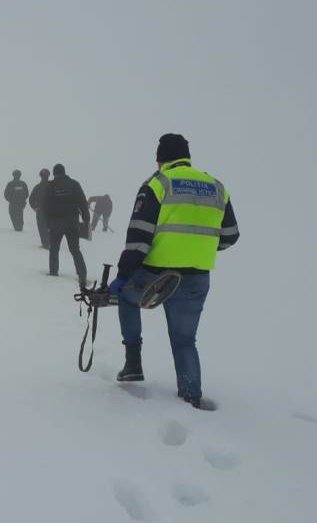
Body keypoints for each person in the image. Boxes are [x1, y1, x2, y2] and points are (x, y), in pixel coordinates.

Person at [108, 134, 239, 410]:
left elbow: (138, 238)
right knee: (184, 339)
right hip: (197, 277)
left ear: (161, 158)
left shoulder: (158, 184)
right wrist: (197, 248)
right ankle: (191, 394)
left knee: (127, 299)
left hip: (156, 275)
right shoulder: (216, 187)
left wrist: (122, 276)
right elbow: (230, 236)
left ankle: (133, 363)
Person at [43, 163, 90, 287]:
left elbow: (45, 205)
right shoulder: (74, 184)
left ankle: (53, 272)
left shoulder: (51, 186)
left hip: (56, 223)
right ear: (64, 172)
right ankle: (82, 275)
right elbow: (82, 201)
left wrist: (47, 222)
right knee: (75, 249)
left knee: (54, 249)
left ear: (54, 173)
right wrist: (86, 218)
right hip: (72, 222)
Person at [29, 168, 51, 249]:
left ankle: (46, 244)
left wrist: (35, 207)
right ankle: (50, 243)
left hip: (41, 211)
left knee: (42, 227)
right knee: (51, 227)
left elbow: (31, 199)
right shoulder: (54, 186)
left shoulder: (37, 187)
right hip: (52, 211)